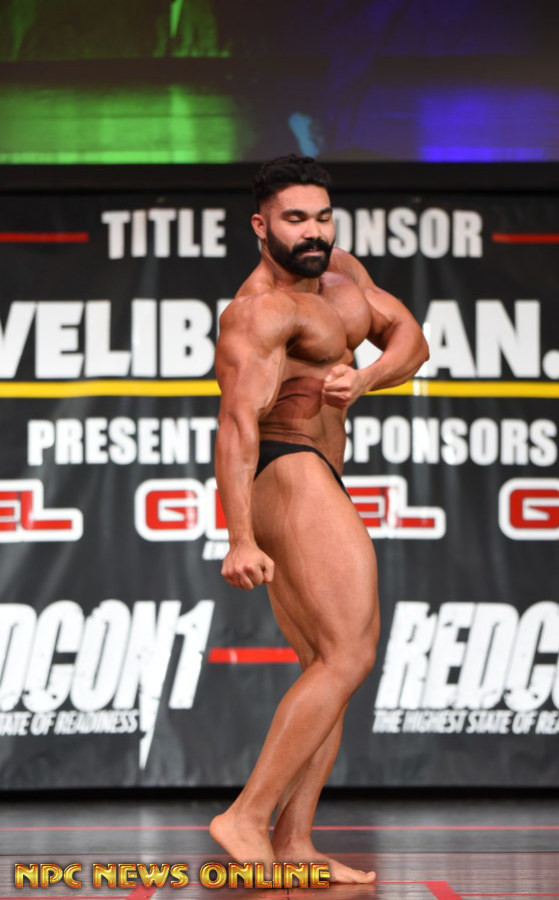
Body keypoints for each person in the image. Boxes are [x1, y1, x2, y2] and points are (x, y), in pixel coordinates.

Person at [210, 154, 428, 884]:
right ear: (260, 225)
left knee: (328, 663)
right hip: (286, 464)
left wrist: (364, 377)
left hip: (319, 467)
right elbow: (236, 425)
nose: (313, 231)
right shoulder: (259, 311)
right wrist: (240, 536)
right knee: (349, 654)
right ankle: (246, 817)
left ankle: (296, 843)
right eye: (295, 218)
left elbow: (411, 339)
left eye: (323, 217)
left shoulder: (342, 275)